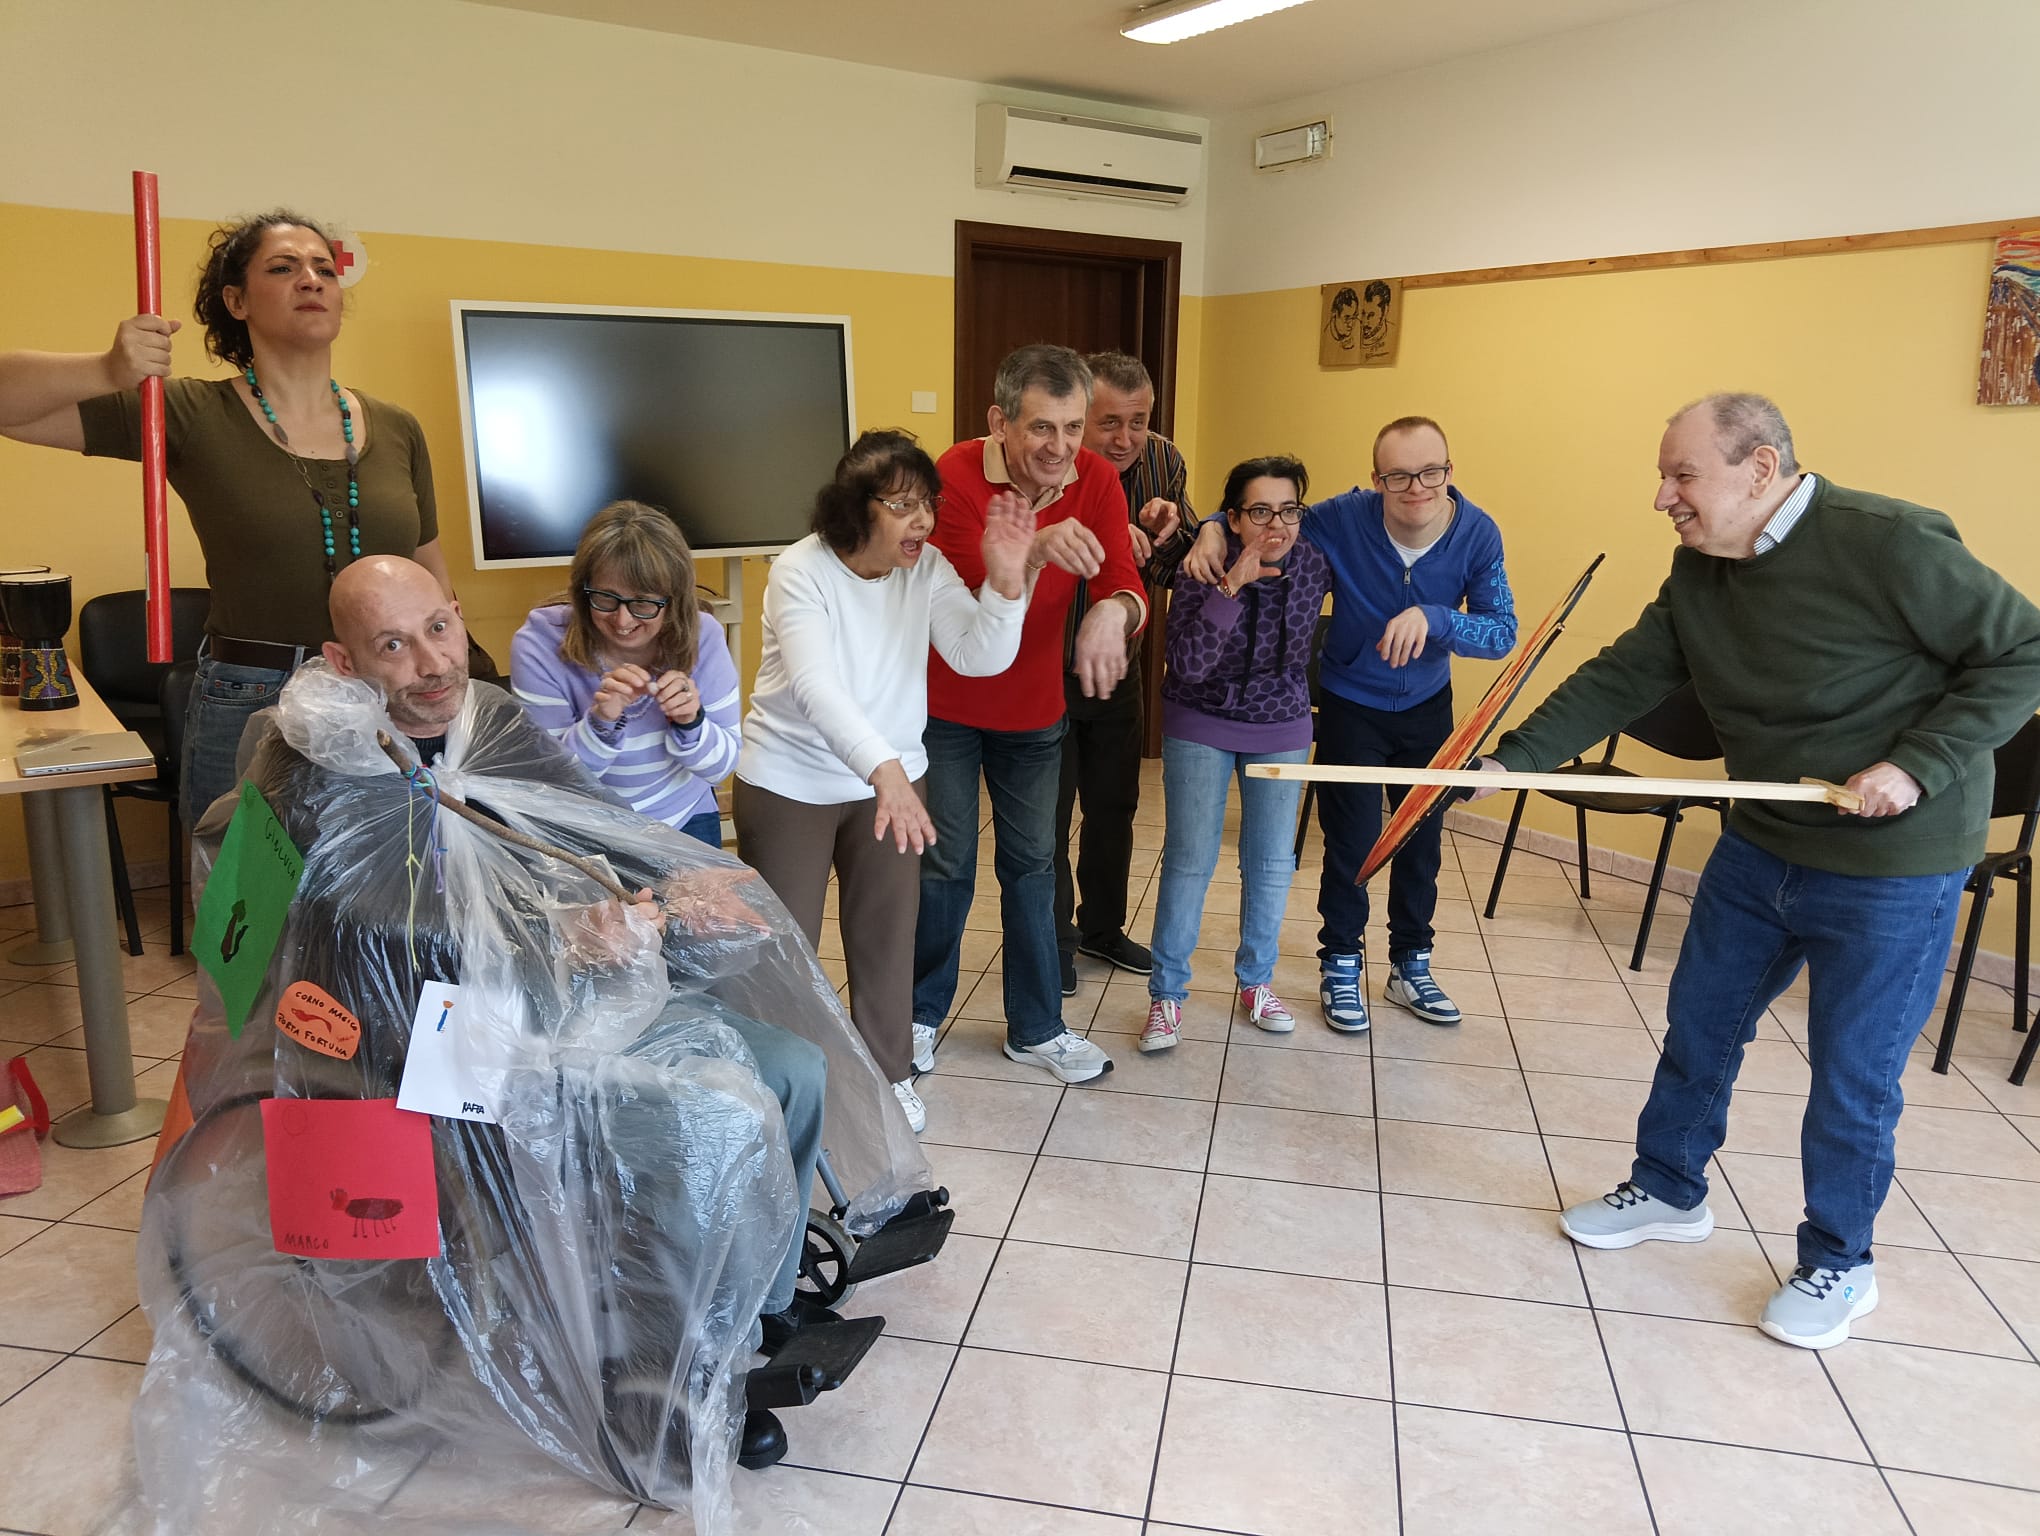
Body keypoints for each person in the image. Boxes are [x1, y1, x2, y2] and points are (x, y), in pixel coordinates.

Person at [1475, 393, 2040, 1349]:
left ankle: (1838, 1263)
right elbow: (1625, 674)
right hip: (1759, 843)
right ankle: (1667, 1188)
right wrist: (1514, 760)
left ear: (1761, 469)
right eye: (1666, 475)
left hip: (1893, 867)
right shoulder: (1702, 568)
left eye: (1682, 474)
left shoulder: (1887, 541)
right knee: (1702, 1026)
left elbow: (2023, 652)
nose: (1663, 496)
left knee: (1853, 1076)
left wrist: (1916, 765)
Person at [0, 209, 453, 823]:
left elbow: (430, 571)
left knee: (395, 894)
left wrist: (446, 676)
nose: (312, 280)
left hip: (388, 689)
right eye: (284, 267)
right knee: (244, 903)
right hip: (253, 696)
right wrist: (107, 370)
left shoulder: (396, 426)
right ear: (236, 300)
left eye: (324, 268)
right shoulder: (187, 412)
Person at [735, 430, 1030, 1132]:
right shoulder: (799, 571)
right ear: (854, 507)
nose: (922, 520)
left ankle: (888, 1075)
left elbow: (975, 654)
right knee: (784, 953)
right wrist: (885, 769)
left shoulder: (922, 570)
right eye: (902, 505)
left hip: (891, 781)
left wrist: (1008, 581)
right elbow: (816, 685)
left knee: (887, 940)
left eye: (927, 502)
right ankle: (785, 1086)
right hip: (791, 782)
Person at [1184, 415, 1516, 1036]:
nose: (1416, 487)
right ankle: (1341, 961)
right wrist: (1206, 526)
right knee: (1352, 841)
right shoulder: (1340, 516)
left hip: (1428, 708)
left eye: (1431, 472)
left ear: (1450, 470)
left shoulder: (1478, 533)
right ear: (1375, 479)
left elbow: (1503, 633)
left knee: (1419, 842)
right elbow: (1258, 510)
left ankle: (1410, 964)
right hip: (1349, 703)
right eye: (1398, 476)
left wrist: (1437, 618)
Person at [913, 344, 1147, 1085]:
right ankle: (917, 1018)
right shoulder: (950, 475)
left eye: (1073, 428)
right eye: (1042, 428)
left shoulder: (1098, 480)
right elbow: (955, 589)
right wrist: (1034, 551)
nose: (1061, 448)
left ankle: (1037, 1028)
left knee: (1032, 868)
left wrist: (1113, 613)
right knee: (946, 866)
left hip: (1036, 712)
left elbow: (1122, 576)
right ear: (1000, 422)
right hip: (945, 705)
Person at [1143, 457, 1331, 1052]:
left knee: (1272, 862)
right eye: (1259, 511)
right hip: (1199, 720)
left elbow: (1366, 504)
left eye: (1289, 510)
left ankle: (1256, 983)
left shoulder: (1314, 561)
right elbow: (1191, 665)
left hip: (1281, 724)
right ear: (1232, 517)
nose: (1276, 524)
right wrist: (1231, 583)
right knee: (1190, 860)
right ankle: (1167, 996)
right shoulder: (1204, 563)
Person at [1051, 351, 1196, 994]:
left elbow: (1180, 572)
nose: (1125, 439)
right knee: (1046, 817)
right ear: (1080, 414)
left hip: (1122, 669)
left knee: (1114, 807)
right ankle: (1051, 944)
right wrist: (1106, 543)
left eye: (1138, 422)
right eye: (1109, 423)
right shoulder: (1052, 456)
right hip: (1044, 667)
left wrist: (1170, 534)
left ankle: (1103, 929)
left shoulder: (1163, 462)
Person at [510, 500, 740, 847]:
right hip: (585, 828)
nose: (623, 621)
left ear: (674, 600)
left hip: (684, 819)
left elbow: (721, 768)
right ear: (582, 588)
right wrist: (600, 723)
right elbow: (551, 784)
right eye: (605, 599)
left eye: (644, 603)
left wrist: (691, 723)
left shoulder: (702, 635)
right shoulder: (540, 643)